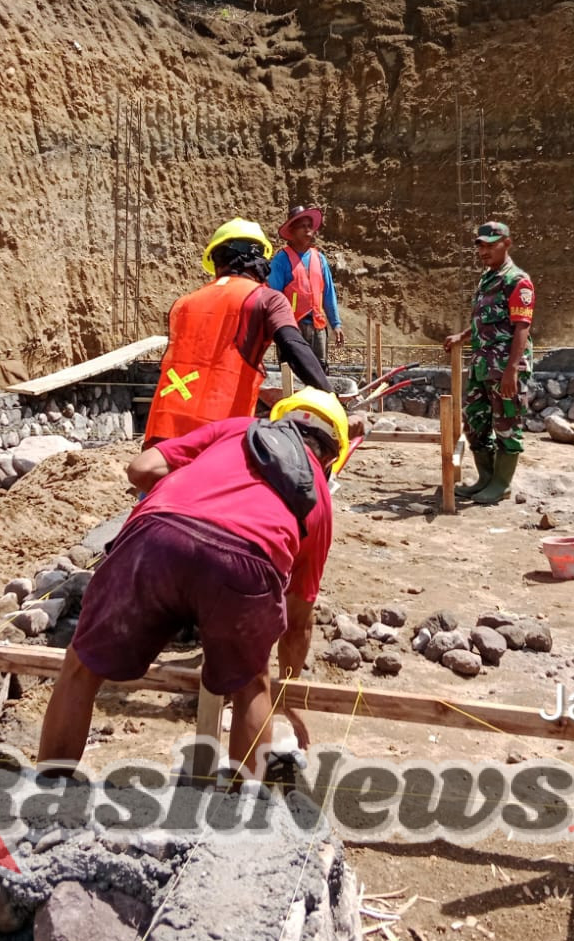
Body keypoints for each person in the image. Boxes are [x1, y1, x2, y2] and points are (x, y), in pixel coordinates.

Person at [37, 390, 353, 777]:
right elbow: (298, 619)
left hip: (153, 537)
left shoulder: (239, 429)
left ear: (280, 417)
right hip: (246, 562)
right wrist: (287, 691)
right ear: (331, 457)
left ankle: (46, 794)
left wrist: (191, 493)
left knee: (81, 666)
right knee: (252, 685)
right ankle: (240, 816)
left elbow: (141, 469)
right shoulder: (319, 495)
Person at [143, 219, 332, 447]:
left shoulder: (183, 304)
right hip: (219, 437)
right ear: (258, 259)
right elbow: (294, 347)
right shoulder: (265, 299)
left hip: (163, 433)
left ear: (216, 261)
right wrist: (330, 399)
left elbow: (205, 365)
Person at [442, 221, 535, 505]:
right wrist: (463, 335)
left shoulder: (517, 281)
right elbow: (484, 321)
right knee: (476, 422)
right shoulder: (487, 279)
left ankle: (501, 484)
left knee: (506, 423)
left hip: (504, 368)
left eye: (490, 245)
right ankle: (485, 478)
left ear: (507, 243)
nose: (484, 251)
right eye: (480, 245)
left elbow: (522, 328)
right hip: (482, 366)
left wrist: (511, 372)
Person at [267, 205, 344, 371]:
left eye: (310, 225)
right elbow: (273, 296)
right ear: (292, 231)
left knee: (320, 370)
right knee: (293, 371)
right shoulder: (281, 260)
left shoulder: (319, 259)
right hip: (292, 327)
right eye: (303, 225)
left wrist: (336, 324)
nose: (308, 229)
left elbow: (329, 294)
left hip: (317, 326)